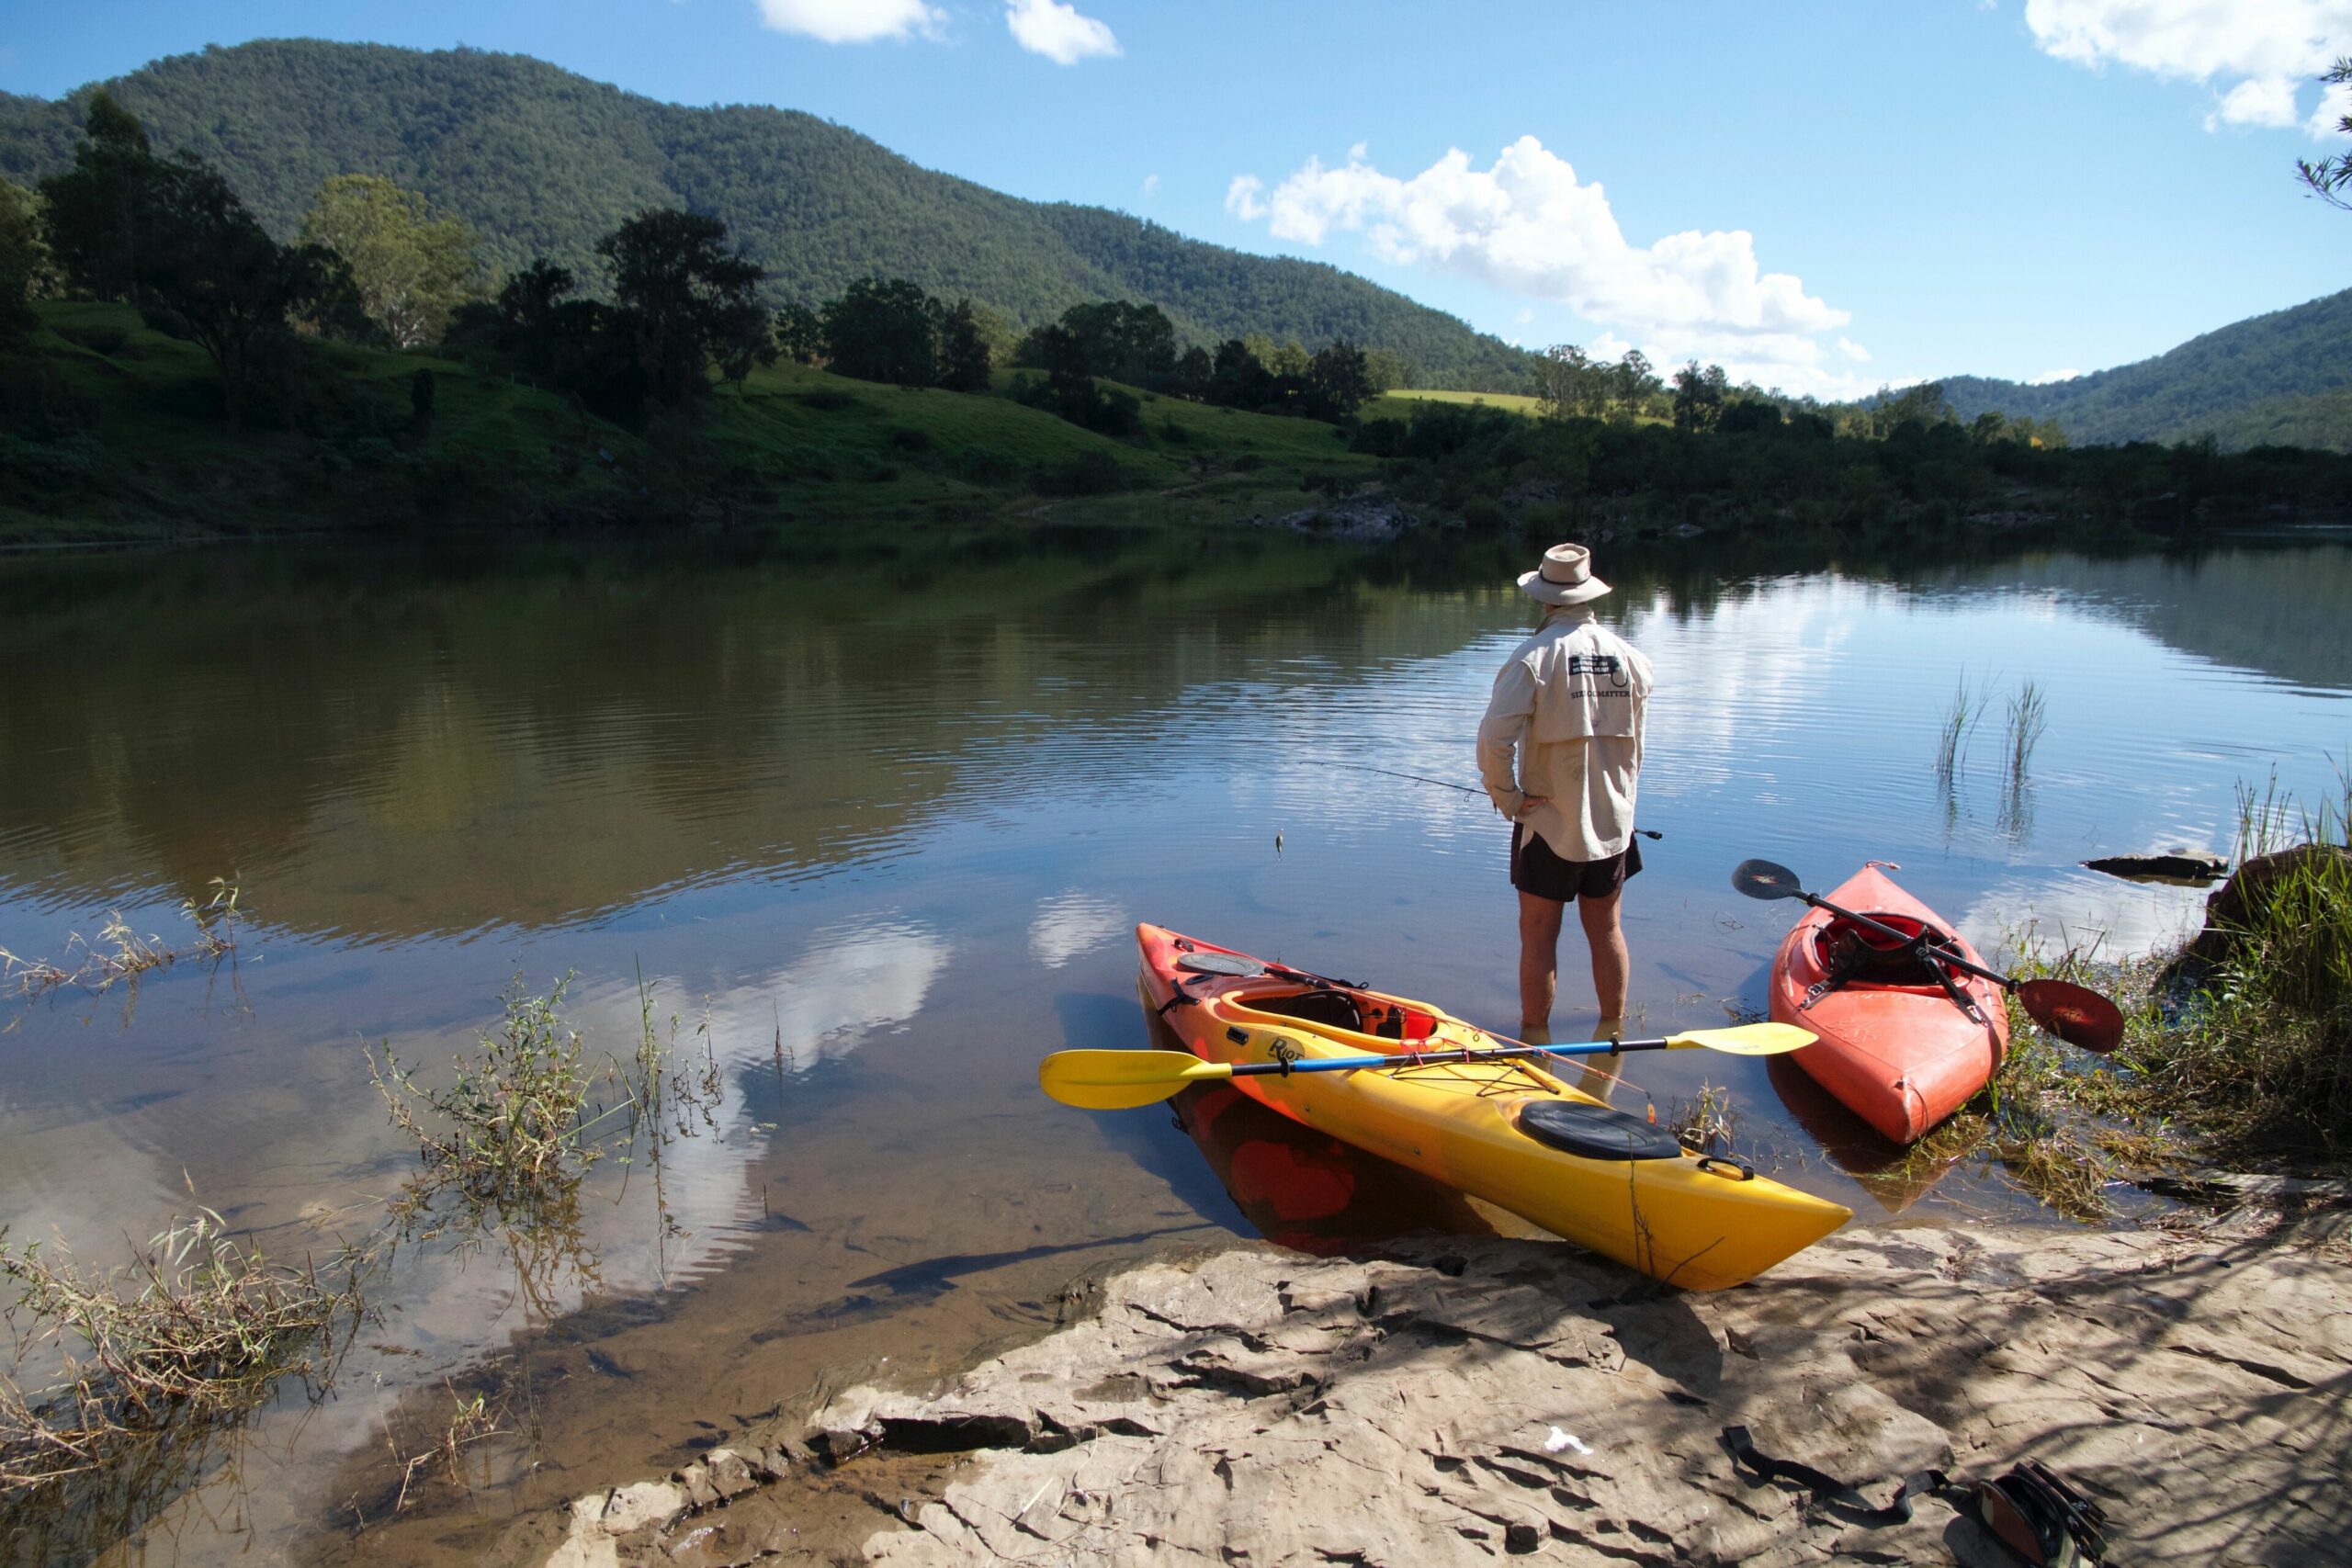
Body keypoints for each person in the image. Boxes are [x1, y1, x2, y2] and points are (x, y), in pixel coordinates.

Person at [1476, 543, 1654, 1050]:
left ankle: (1535, 1044)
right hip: (1614, 822)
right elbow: (1638, 748)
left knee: (1538, 937)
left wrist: (1507, 798)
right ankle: (1614, 1037)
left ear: (1545, 600)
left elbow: (1493, 741)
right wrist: (1623, 804)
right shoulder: (1633, 659)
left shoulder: (1533, 658)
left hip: (1549, 823)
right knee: (1607, 931)